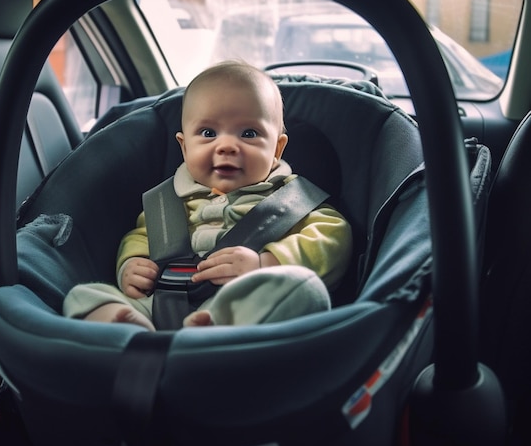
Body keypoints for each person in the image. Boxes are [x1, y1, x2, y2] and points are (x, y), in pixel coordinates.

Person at [63, 60, 352, 330]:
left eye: (249, 134)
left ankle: (215, 330)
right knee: (81, 295)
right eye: (208, 133)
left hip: (245, 305)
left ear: (276, 150)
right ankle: (130, 331)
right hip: (158, 305)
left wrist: (265, 264)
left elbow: (332, 236)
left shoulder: (291, 199)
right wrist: (131, 264)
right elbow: (140, 237)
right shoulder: (168, 202)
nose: (226, 145)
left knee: (303, 290)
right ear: (185, 147)